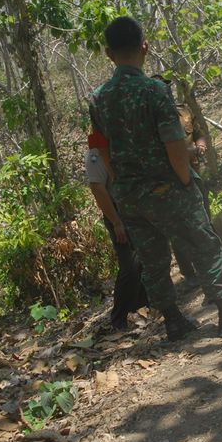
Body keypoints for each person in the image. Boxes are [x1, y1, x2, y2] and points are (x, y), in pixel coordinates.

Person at [88, 16, 222, 340]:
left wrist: (122, 182)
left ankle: (173, 321)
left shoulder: (99, 98)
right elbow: (175, 146)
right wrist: (184, 182)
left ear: (109, 54)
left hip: (129, 195)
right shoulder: (154, 91)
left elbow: (103, 150)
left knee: (153, 259)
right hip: (167, 187)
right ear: (145, 47)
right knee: (205, 246)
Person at [85, 132, 149, 330]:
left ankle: (143, 305)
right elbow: (98, 188)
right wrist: (116, 221)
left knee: (143, 260)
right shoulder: (96, 152)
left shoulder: (126, 138)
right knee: (129, 265)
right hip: (118, 213)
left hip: (137, 207)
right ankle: (118, 317)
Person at [150, 74, 208, 292]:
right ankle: (189, 273)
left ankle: (207, 267)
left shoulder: (184, 110)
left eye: (167, 86)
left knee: (204, 220)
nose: (165, 90)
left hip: (194, 174)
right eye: (160, 87)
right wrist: (188, 152)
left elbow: (199, 132)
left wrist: (200, 146)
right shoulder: (151, 120)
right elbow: (163, 151)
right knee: (179, 230)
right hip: (170, 183)